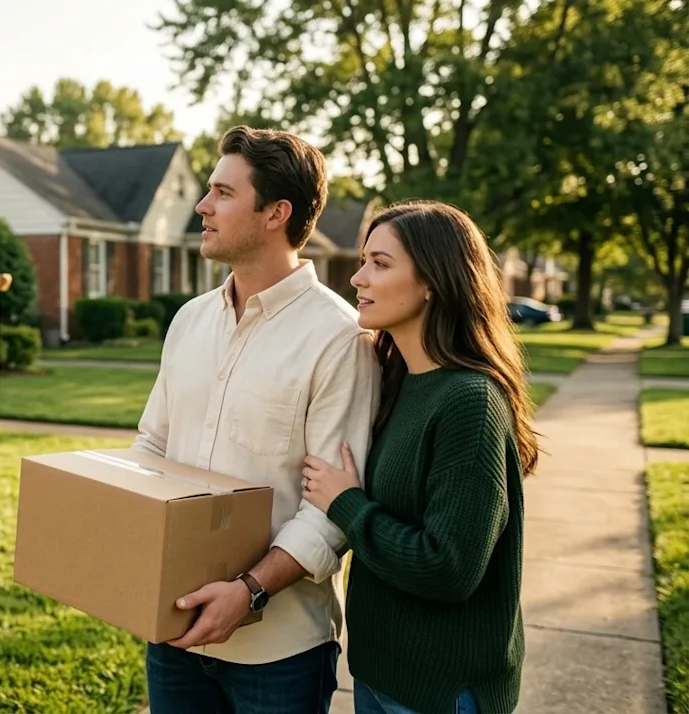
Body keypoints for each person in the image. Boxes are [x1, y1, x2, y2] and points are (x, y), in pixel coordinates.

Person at [133, 125, 380, 714]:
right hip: (173, 627)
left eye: (222, 192)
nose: (202, 206)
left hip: (280, 653)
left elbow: (333, 509)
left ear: (276, 213)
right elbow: (153, 444)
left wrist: (247, 592)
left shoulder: (339, 338)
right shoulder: (189, 321)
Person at [300, 200, 535, 714]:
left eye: (381, 264)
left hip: (442, 691)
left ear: (433, 281)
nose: (358, 278)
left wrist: (347, 503)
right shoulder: (399, 381)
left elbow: (449, 567)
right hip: (381, 673)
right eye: (364, 261)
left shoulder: (469, 402)